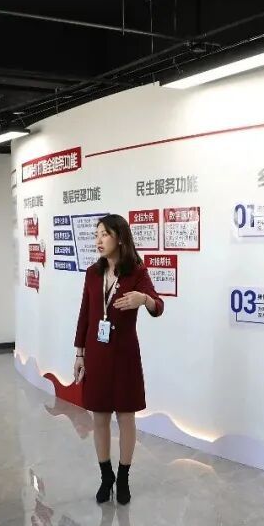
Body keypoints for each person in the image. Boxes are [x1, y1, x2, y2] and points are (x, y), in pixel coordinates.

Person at [73, 214, 164, 506]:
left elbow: (158, 306)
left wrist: (143, 299)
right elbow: (85, 314)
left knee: (126, 417)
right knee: (99, 417)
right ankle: (106, 476)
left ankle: (123, 478)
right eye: (97, 234)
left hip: (125, 356)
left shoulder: (137, 272)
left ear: (120, 238)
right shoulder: (92, 273)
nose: (98, 240)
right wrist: (79, 353)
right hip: (96, 354)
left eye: (105, 234)